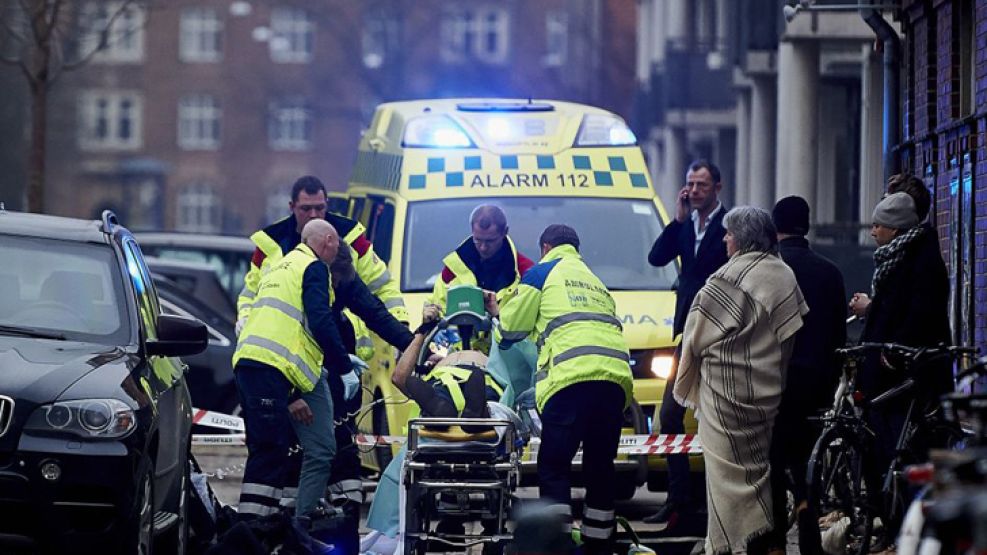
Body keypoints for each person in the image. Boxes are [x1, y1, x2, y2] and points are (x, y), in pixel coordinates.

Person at [489, 224, 633, 555]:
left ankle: (557, 545)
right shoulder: (594, 280)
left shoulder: (541, 273)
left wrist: (498, 309)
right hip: (614, 382)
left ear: (545, 247)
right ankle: (599, 545)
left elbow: (512, 328)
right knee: (601, 466)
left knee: (554, 464)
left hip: (570, 379)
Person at [672, 206, 807, 555]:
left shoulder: (724, 280)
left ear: (743, 238)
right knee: (757, 474)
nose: (725, 239)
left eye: (729, 233)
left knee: (723, 479)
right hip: (766, 393)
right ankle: (758, 541)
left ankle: (725, 544)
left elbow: (696, 336)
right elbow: (789, 336)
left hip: (724, 396)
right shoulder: (784, 275)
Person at [232, 219, 354, 521]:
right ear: (327, 241)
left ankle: (299, 523)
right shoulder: (313, 268)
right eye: (336, 243)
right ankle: (251, 532)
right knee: (270, 453)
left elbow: (292, 329)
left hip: (255, 365)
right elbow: (320, 321)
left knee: (316, 448)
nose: (338, 248)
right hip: (271, 370)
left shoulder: (281, 267)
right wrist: (344, 366)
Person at [850, 192, 950, 544]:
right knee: (883, 449)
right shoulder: (894, 257)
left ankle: (906, 530)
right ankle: (892, 526)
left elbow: (919, 313)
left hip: (906, 373)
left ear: (894, 229)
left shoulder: (919, 261)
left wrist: (893, 351)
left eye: (878, 224)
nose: (872, 231)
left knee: (903, 452)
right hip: (886, 367)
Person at [312, 243, 415, 552]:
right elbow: (318, 327)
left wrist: (413, 345)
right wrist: (342, 366)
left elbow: (375, 312)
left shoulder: (341, 281)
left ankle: (340, 539)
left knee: (343, 468)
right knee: (307, 466)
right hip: (301, 391)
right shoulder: (312, 290)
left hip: (331, 400)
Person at [645, 159, 729, 524]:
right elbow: (656, 257)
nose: (695, 192)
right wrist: (677, 220)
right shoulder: (685, 225)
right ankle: (678, 502)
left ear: (718, 188)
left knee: (715, 418)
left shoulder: (729, 226)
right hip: (685, 334)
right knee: (669, 415)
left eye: (702, 186)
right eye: (690, 185)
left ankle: (716, 504)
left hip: (717, 334)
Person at [768, 196, 847, 555]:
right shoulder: (830, 271)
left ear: (775, 226)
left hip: (777, 381)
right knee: (806, 454)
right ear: (808, 225)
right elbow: (838, 337)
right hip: (817, 383)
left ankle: (777, 540)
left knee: (773, 457)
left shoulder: (772, 269)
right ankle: (806, 505)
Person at [237, 175, 408, 332]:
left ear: (327, 203)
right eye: (306, 208)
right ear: (292, 207)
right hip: (289, 342)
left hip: (341, 339)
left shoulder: (351, 237)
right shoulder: (271, 242)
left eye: (319, 208)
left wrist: (401, 321)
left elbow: (382, 285)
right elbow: (251, 292)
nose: (313, 215)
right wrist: (245, 317)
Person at [429, 204, 534, 324]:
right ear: (472, 231)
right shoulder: (454, 268)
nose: (483, 248)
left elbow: (524, 324)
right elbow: (439, 307)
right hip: (460, 342)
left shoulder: (525, 272)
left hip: (504, 342)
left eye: (490, 241)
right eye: (478, 240)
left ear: (505, 232)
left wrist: (498, 315)